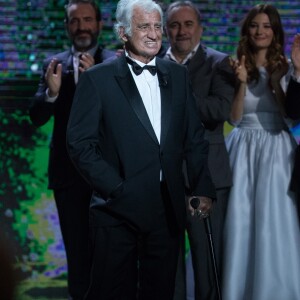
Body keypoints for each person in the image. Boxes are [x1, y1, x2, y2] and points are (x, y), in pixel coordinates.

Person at [66, 0, 216, 299]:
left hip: (166, 208)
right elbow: (80, 144)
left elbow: (194, 137)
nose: (154, 34)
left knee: (159, 291)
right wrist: (116, 189)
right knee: (108, 292)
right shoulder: (98, 79)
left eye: (158, 26)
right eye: (144, 26)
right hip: (116, 210)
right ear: (123, 32)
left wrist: (201, 187)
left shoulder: (177, 75)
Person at [29, 1, 115, 298]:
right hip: (68, 176)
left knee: (110, 256)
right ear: (67, 26)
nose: (82, 27)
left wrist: (100, 81)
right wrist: (52, 93)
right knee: (77, 256)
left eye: (88, 20)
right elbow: (36, 116)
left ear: (99, 25)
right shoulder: (53, 64)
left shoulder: (116, 62)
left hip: (109, 175)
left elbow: (126, 118)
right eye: (75, 21)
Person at [222, 4, 300, 300]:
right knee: (240, 220)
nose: (260, 31)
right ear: (247, 30)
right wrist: (241, 83)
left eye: (266, 26)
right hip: (242, 148)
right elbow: (234, 119)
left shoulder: (288, 66)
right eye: (255, 25)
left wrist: (276, 83)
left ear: (275, 30)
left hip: (277, 149)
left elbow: (290, 116)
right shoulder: (234, 65)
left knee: (274, 219)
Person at [164, 2, 234, 299]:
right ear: (166, 30)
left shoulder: (220, 63)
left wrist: (177, 98)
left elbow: (220, 109)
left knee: (208, 263)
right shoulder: (150, 63)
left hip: (207, 176)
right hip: (162, 177)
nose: (182, 31)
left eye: (188, 24)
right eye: (175, 25)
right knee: (167, 262)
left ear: (200, 28)